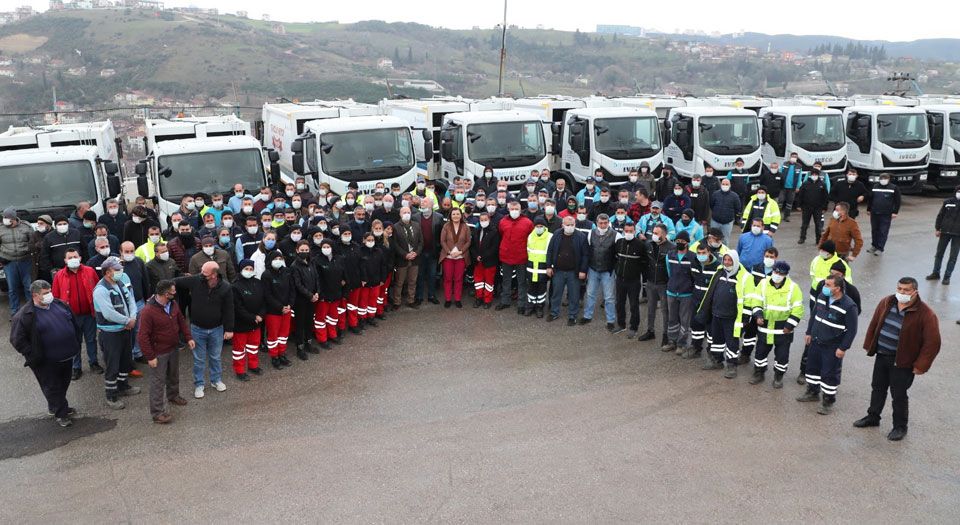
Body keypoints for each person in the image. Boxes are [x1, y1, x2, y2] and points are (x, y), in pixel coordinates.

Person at [855, 277, 941, 441]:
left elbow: (932, 343)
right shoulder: (887, 302)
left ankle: (900, 427)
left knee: (899, 394)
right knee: (877, 388)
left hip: (902, 361)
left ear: (915, 291)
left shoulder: (926, 313)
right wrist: (870, 344)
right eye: (899, 288)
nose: (901, 292)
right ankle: (873, 417)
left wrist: (921, 365)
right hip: (882, 355)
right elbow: (875, 323)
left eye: (906, 290)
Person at [10, 280, 82, 427]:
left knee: (63, 383)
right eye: (45, 293)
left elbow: (74, 324)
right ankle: (61, 413)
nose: (49, 295)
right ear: (35, 295)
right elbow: (17, 340)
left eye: (50, 291)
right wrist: (33, 354)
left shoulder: (60, 305)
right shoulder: (25, 315)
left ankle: (56, 405)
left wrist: (75, 341)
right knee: (52, 386)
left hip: (66, 355)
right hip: (45, 361)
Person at [797, 275, 859, 415]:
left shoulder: (849, 306)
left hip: (832, 346)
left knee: (829, 373)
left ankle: (828, 401)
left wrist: (843, 348)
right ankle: (812, 392)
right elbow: (814, 315)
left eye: (828, 285)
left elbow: (852, 330)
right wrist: (809, 332)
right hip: (816, 341)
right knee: (812, 368)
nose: (824, 287)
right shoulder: (822, 297)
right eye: (825, 284)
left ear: (837, 288)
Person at [174, 262, 234, 398]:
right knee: (199, 359)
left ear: (214, 275)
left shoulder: (226, 287)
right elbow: (176, 282)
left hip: (217, 329)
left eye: (205, 273)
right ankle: (199, 385)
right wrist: (161, 289)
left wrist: (229, 329)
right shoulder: (196, 280)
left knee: (215, 357)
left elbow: (229, 309)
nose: (201, 274)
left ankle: (216, 380)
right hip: (197, 329)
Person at [137, 280, 192, 424]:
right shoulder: (148, 311)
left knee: (173, 375)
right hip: (158, 353)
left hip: (173, 348)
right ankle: (157, 413)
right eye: (173, 292)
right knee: (158, 382)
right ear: (165, 294)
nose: (175, 294)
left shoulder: (172, 304)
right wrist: (150, 356)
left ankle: (173, 396)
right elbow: (142, 336)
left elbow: (181, 321)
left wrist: (188, 337)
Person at [92, 257, 141, 409]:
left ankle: (123, 386)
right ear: (107, 272)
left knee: (125, 360)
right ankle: (111, 395)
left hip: (125, 329)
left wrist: (132, 317)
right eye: (117, 269)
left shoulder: (119, 283)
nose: (121, 271)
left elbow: (131, 300)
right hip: (111, 333)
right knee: (112, 364)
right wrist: (127, 321)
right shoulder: (101, 290)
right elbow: (108, 313)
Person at [748, 261, 803, 388]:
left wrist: (789, 325)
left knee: (782, 356)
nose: (777, 275)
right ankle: (759, 373)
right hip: (765, 325)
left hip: (783, 329)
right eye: (775, 272)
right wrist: (758, 315)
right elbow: (756, 300)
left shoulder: (793, 288)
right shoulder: (763, 283)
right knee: (760, 353)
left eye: (780, 273)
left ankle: (779, 376)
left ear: (786, 274)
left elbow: (798, 309)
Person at [695, 250, 750, 377]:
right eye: (725, 260)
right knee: (717, 340)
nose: (726, 262)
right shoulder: (719, 272)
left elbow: (748, 299)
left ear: (735, 261)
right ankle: (717, 360)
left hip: (732, 318)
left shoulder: (744, 277)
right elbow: (711, 292)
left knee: (732, 343)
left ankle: (732, 365)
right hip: (716, 314)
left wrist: (745, 319)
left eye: (729, 260)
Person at [52, 248, 101, 380]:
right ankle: (76, 367)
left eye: (75, 256)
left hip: (89, 314)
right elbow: (55, 297)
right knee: (75, 342)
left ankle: (94, 363)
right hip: (70, 317)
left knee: (91, 340)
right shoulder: (59, 275)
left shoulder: (90, 271)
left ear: (80, 258)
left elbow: (98, 289)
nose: (73, 259)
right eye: (70, 257)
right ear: (65, 260)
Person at [546, 215, 588, 324]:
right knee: (556, 293)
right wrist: (548, 266)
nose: (570, 227)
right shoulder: (556, 234)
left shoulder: (581, 236)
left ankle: (572, 316)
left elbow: (585, 255)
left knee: (574, 295)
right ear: (562, 225)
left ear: (575, 225)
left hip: (574, 272)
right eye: (567, 225)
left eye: (572, 225)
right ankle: (554, 313)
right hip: (558, 271)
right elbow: (550, 250)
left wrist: (583, 270)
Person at [580, 214, 618, 329]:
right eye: (601, 223)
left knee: (609, 297)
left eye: (605, 223)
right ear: (596, 222)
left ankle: (611, 320)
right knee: (590, 294)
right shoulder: (590, 233)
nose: (603, 225)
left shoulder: (616, 235)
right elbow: (586, 252)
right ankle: (587, 316)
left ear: (608, 223)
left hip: (608, 271)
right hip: (593, 269)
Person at [613, 222, 651, 337]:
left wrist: (638, 272)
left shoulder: (640, 245)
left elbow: (645, 263)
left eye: (631, 231)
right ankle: (621, 325)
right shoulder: (619, 243)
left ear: (634, 231)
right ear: (623, 231)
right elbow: (614, 257)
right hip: (620, 279)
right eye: (626, 231)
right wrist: (617, 269)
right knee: (619, 303)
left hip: (633, 281)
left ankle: (633, 327)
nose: (628, 233)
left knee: (634, 304)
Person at [231, 259, 266, 381]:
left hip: (256, 323)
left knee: (253, 346)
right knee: (239, 350)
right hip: (241, 324)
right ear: (241, 270)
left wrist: (261, 315)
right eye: (246, 269)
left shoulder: (258, 282)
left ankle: (253, 365)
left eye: (251, 269)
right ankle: (240, 370)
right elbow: (238, 307)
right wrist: (253, 317)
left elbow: (263, 301)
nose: (249, 271)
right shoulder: (235, 286)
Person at [497, 201, 535, 313]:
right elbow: (501, 234)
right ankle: (505, 301)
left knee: (522, 281)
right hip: (506, 256)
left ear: (520, 210)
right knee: (506, 280)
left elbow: (531, 238)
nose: (514, 211)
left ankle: (521, 304)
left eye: (516, 209)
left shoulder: (527, 222)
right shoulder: (503, 221)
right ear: (508, 209)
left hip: (521, 257)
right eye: (512, 208)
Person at [638, 224, 673, 343]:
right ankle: (650, 331)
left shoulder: (671, 248)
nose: (654, 235)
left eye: (656, 233)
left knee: (665, 310)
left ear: (664, 234)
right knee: (650, 308)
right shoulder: (648, 244)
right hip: (651, 282)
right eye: (653, 232)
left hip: (664, 283)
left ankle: (666, 334)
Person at [664, 230, 696, 354]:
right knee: (672, 318)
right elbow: (669, 272)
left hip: (686, 293)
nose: (679, 243)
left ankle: (682, 343)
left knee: (685, 320)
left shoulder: (693, 257)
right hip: (671, 292)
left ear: (687, 243)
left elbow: (694, 276)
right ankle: (672, 341)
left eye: (682, 241)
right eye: (677, 241)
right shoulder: (670, 255)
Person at [686, 242, 720, 360]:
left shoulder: (717, 267)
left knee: (711, 329)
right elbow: (692, 278)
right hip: (696, 300)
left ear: (709, 252)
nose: (701, 255)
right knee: (695, 325)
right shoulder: (694, 263)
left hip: (710, 303)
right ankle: (696, 347)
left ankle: (711, 351)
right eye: (699, 253)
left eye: (703, 253)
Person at [261, 250, 294, 368]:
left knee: (284, 334)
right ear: (270, 260)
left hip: (287, 309)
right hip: (273, 311)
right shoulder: (266, 275)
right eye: (276, 259)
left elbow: (292, 289)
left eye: (280, 259)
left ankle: (282, 354)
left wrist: (290, 304)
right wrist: (280, 307)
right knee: (273, 335)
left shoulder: (287, 272)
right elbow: (267, 295)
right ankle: (274, 356)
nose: (278, 261)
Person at [1, 207, 36, 318]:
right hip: (9, 262)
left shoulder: (26, 227)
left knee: (28, 287)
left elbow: (33, 242)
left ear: (13, 218)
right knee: (12, 289)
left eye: (6, 217)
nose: (4, 219)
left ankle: (31, 311)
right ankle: (15, 313)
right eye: (4, 217)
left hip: (25, 261)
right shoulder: (1, 229)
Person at [289, 241, 319, 360]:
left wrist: (317, 292)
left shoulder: (311, 262)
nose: (304, 252)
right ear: (297, 250)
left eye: (306, 250)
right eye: (302, 250)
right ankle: (300, 347)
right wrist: (310, 295)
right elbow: (298, 284)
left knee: (309, 321)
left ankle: (308, 343)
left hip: (312, 298)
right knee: (300, 323)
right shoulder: (294, 266)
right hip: (301, 300)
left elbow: (317, 278)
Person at [926, 185, 960, 285]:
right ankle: (935, 273)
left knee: (953, 257)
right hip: (945, 232)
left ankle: (947, 277)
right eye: (959, 191)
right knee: (939, 254)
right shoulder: (948, 202)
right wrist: (937, 228)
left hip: (958, 234)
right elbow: (940, 216)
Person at [314, 239, 344, 349]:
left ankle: (332, 335)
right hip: (324, 295)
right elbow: (317, 279)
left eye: (328, 246)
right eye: (324, 247)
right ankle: (322, 339)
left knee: (333, 316)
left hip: (336, 293)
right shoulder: (317, 260)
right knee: (320, 318)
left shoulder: (338, 259)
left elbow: (343, 275)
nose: (326, 249)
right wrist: (320, 294)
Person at [392, 207, 423, 309]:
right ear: (400, 214)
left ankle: (411, 300)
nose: (406, 214)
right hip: (402, 259)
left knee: (412, 281)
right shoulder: (395, 227)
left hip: (415, 258)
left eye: (408, 212)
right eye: (404, 212)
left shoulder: (417, 225)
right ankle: (397, 302)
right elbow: (395, 244)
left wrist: (416, 253)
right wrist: (405, 254)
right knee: (399, 282)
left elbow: (421, 242)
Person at [439, 208, 471, 308]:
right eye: (454, 214)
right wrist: (449, 251)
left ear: (461, 215)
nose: (456, 216)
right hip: (448, 256)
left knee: (458, 279)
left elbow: (468, 241)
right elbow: (442, 241)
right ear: (450, 216)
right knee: (448, 279)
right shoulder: (446, 226)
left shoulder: (465, 226)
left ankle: (457, 299)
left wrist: (460, 252)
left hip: (461, 257)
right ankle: (448, 299)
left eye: (458, 214)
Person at [865, 173, 901, 255]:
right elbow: (870, 199)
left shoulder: (894, 188)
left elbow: (897, 201)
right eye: (882, 178)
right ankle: (874, 246)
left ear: (888, 179)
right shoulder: (875, 187)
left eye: (885, 178)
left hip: (886, 214)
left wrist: (895, 212)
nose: (883, 180)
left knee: (883, 231)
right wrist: (868, 209)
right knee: (874, 230)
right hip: (874, 212)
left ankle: (880, 248)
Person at [524, 217, 552, 318]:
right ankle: (530, 306)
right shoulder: (530, 236)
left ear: (544, 227)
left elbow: (551, 253)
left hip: (542, 268)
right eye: (537, 226)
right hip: (531, 268)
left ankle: (540, 307)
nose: (539, 228)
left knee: (541, 289)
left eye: (541, 226)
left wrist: (550, 267)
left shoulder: (550, 237)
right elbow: (528, 251)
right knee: (531, 289)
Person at [471, 211, 499, 308]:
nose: (483, 221)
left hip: (489, 262)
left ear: (489, 219)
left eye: (485, 219)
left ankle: (487, 300)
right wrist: (476, 256)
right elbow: (473, 246)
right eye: (481, 220)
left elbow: (494, 248)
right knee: (478, 281)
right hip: (478, 262)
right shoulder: (476, 230)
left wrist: (483, 256)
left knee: (488, 282)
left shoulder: (494, 231)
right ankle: (479, 298)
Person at [795, 168, 829, 244]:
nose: (814, 176)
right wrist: (798, 205)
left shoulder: (822, 184)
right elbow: (800, 195)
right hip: (806, 207)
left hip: (818, 208)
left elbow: (825, 197)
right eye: (813, 174)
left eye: (816, 175)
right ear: (810, 175)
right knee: (804, 224)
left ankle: (818, 240)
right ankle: (802, 238)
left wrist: (825, 207)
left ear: (818, 175)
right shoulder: (805, 184)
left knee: (818, 225)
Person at [777, 153, 804, 221]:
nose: (793, 158)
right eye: (792, 156)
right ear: (790, 157)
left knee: (789, 202)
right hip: (783, 186)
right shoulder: (785, 164)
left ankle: (787, 216)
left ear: (797, 158)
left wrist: (798, 187)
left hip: (792, 188)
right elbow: (780, 173)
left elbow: (799, 177)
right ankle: (777, 215)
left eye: (795, 157)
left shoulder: (799, 166)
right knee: (780, 200)